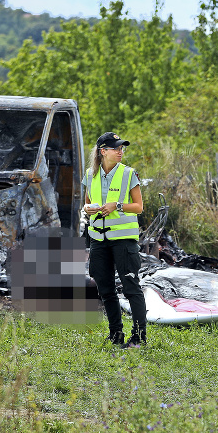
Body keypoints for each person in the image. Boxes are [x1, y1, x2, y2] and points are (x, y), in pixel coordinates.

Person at [83, 132, 147, 348]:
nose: (121, 151)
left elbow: (138, 207)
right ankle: (116, 334)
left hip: (123, 241)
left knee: (131, 288)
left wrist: (116, 206)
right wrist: (88, 210)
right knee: (106, 289)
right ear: (103, 152)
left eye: (122, 148)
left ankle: (138, 337)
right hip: (98, 240)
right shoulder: (89, 176)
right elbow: (88, 203)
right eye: (116, 148)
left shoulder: (129, 174)